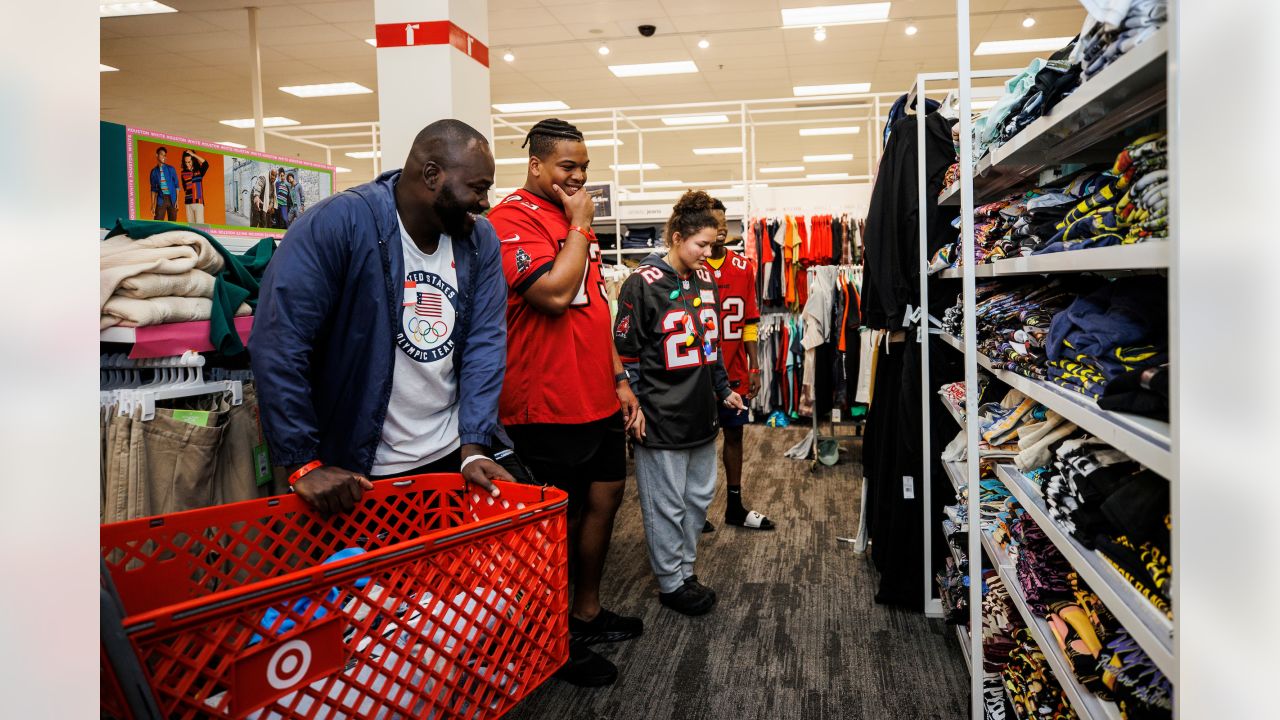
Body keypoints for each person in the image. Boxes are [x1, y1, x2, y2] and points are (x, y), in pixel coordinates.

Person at [250, 118, 514, 517]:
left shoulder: (480, 241)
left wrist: (473, 447)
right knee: (364, 580)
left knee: (445, 579)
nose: (485, 203)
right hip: (355, 473)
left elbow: (484, 344)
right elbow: (280, 344)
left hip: (447, 462)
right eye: (477, 188)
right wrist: (300, 460)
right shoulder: (338, 224)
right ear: (431, 175)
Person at [487, 118, 644, 687]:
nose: (578, 177)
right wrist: (579, 225)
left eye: (583, 168)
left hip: (595, 393)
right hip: (543, 402)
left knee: (606, 496)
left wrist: (620, 378)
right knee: (555, 521)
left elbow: (594, 307)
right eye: (566, 167)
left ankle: (587, 612)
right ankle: (548, 639)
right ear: (536, 166)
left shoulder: (574, 222)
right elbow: (552, 296)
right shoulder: (509, 220)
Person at [613, 190, 746, 617]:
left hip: (700, 410)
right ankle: (670, 582)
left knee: (698, 498)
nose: (709, 254)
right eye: (701, 245)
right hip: (660, 414)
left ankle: (685, 570)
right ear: (675, 237)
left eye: (713, 246)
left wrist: (723, 387)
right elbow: (626, 352)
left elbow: (712, 345)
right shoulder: (640, 283)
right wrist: (632, 406)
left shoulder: (705, 280)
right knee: (665, 504)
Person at [702, 197, 775, 533]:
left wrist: (755, 365)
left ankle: (734, 505)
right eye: (714, 223)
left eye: (723, 222)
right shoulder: (693, 267)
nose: (720, 229)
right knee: (699, 441)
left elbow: (749, 320)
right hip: (699, 373)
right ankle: (695, 508)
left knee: (735, 435)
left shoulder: (744, 266)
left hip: (733, 370)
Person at [149, 146, 179, 221]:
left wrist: (177, 201)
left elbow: (177, 186)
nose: (164, 157)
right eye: (162, 154)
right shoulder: (154, 172)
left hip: (172, 199)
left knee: (173, 224)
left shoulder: (171, 169)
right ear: (157, 155)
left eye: (165, 155)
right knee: (158, 222)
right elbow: (153, 189)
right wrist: (152, 205)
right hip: (161, 199)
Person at [179, 150, 210, 224]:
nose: (187, 164)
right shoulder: (183, 173)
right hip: (188, 203)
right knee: (191, 227)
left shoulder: (199, 171)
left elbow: (206, 164)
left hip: (198, 203)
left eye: (189, 162)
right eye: (186, 162)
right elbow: (185, 188)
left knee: (200, 226)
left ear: (193, 160)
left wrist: (193, 154)